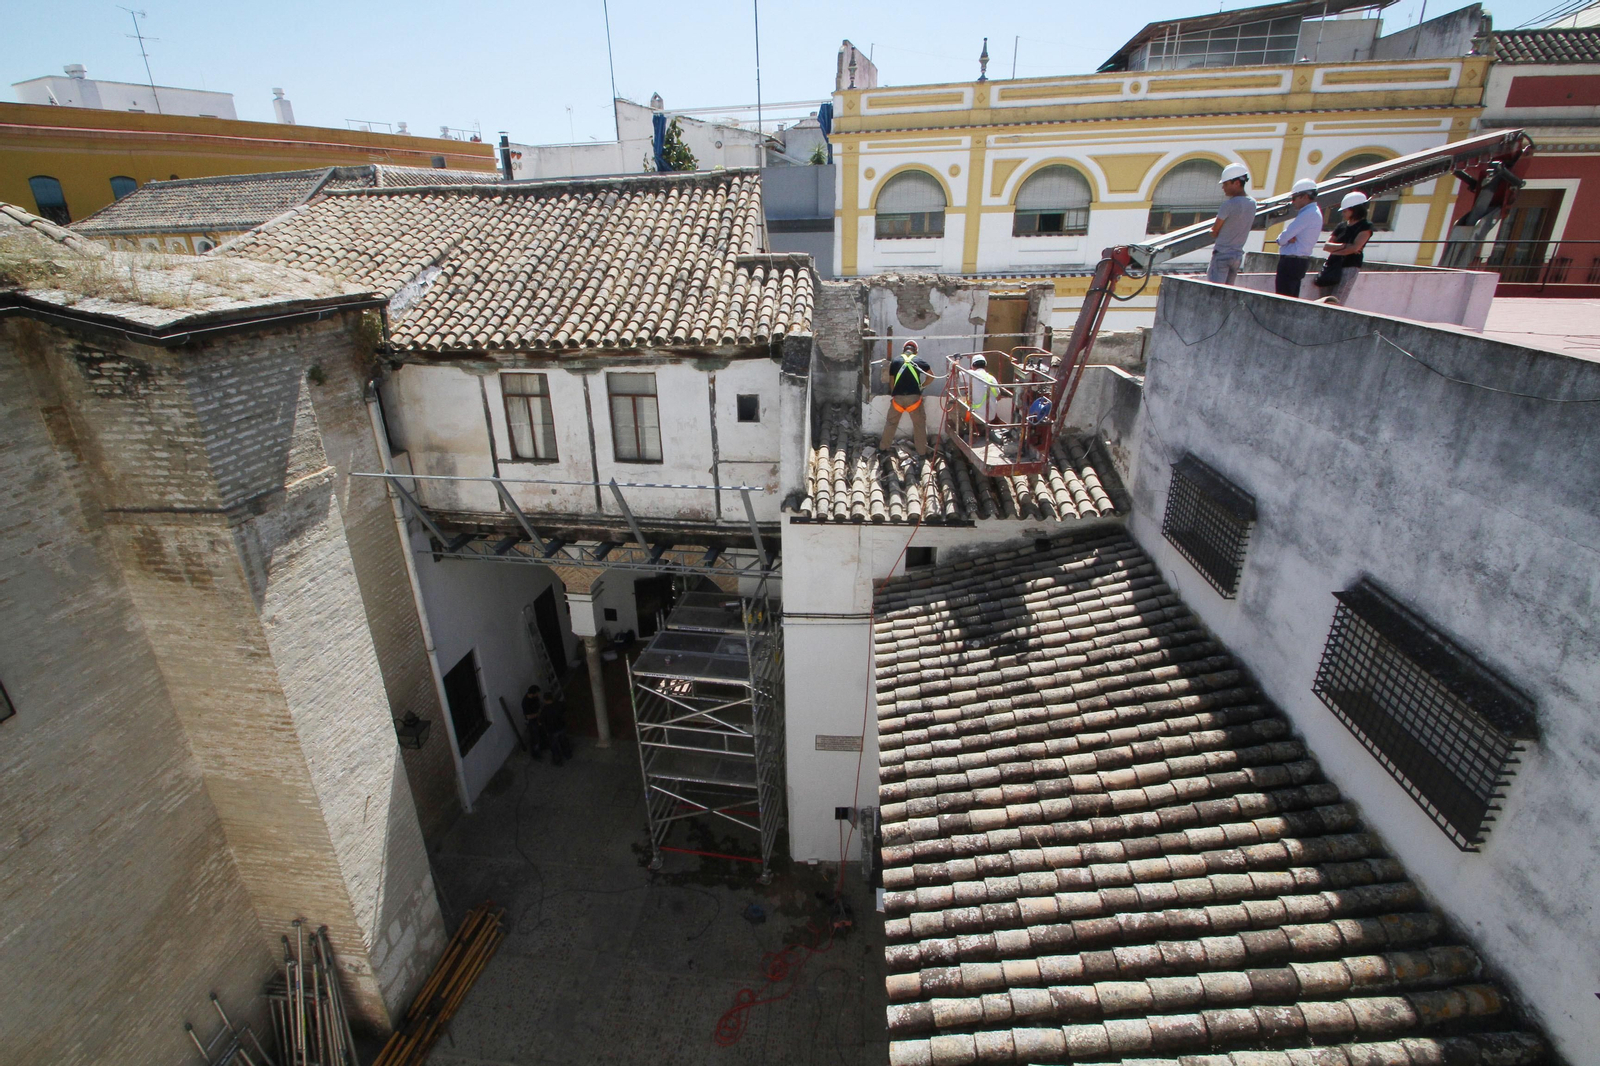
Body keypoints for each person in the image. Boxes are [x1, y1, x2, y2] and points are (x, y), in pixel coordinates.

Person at [878, 339, 933, 456]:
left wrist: (894, 394)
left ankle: (883, 448)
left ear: (903, 350)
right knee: (919, 425)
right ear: (915, 352)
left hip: (898, 399)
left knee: (891, 424)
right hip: (914, 400)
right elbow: (931, 377)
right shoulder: (919, 361)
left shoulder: (895, 361)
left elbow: (892, 382)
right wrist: (921, 386)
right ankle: (922, 452)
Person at [1315, 191, 1374, 298]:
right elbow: (1326, 246)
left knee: (1338, 297)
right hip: (1332, 265)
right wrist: (1345, 246)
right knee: (1324, 298)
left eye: (1345, 211)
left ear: (1355, 210)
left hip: (1350, 266)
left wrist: (1337, 249)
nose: (1343, 214)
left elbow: (1355, 247)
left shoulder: (1366, 226)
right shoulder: (1341, 226)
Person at [1272, 178, 1323, 298]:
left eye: (1294, 197)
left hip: (1291, 262)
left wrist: (1282, 239)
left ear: (1304, 196)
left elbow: (1284, 237)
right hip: (1298, 262)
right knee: (1291, 297)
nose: (1293, 201)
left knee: (1284, 298)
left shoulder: (1308, 213)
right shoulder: (1313, 212)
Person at [1208, 163, 1257, 286]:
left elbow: (1215, 231)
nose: (1223, 188)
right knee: (1228, 293)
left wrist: (1213, 231)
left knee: (1215, 292)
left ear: (1236, 183)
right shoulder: (1252, 203)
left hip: (1222, 256)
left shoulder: (1228, 205)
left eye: (1225, 184)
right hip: (1237, 257)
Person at [966, 354, 1002, 439]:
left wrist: (956, 361)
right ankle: (982, 428)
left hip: (977, 417)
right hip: (990, 417)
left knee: (952, 404)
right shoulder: (991, 378)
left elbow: (956, 373)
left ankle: (966, 430)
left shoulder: (971, 374)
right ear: (985, 366)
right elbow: (999, 397)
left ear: (972, 366)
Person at [539, 686, 573, 766]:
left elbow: (542, 722)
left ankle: (558, 761)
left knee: (554, 746)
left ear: (545, 700)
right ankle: (568, 755)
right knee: (564, 741)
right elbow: (565, 710)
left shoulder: (544, 711)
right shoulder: (559, 704)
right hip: (561, 727)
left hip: (552, 730)